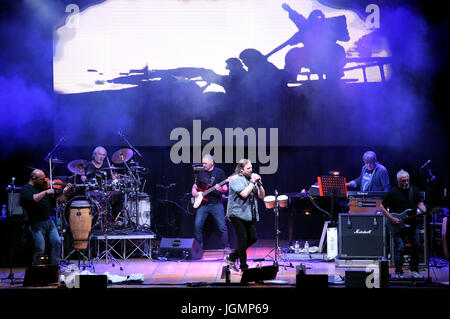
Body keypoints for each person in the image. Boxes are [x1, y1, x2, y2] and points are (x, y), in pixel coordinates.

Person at [379, 169, 427, 278]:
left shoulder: (414, 190)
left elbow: (420, 203)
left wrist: (425, 210)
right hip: (397, 225)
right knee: (399, 248)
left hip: (412, 223)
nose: (406, 183)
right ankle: (399, 272)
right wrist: (391, 218)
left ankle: (413, 270)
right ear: (398, 181)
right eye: (403, 181)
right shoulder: (392, 192)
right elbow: (381, 207)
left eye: (407, 180)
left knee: (417, 246)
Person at [20, 169, 72, 265]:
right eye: (41, 179)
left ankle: (55, 268)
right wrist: (45, 192)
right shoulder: (26, 188)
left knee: (57, 242)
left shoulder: (42, 187)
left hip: (48, 221)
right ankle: (37, 271)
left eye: (44, 178)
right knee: (40, 248)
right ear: (33, 178)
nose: (44, 181)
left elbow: (56, 198)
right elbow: (33, 199)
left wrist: (63, 192)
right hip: (35, 222)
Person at [224, 159, 265, 272]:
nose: (251, 170)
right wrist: (252, 183)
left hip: (248, 214)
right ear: (241, 169)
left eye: (251, 167)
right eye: (248, 168)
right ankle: (243, 266)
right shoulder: (235, 179)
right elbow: (244, 194)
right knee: (243, 239)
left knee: (253, 238)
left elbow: (261, 196)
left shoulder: (250, 179)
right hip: (236, 213)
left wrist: (259, 184)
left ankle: (232, 257)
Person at [191, 154, 230, 251]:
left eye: (205, 163)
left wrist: (220, 189)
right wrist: (194, 191)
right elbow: (196, 185)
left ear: (212, 162)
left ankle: (226, 246)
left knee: (222, 227)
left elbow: (225, 188)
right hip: (203, 204)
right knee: (197, 226)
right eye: (203, 163)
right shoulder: (201, 173)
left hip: (216, 204)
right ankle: (199, 248)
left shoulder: (219, 172)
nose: (203, 165)